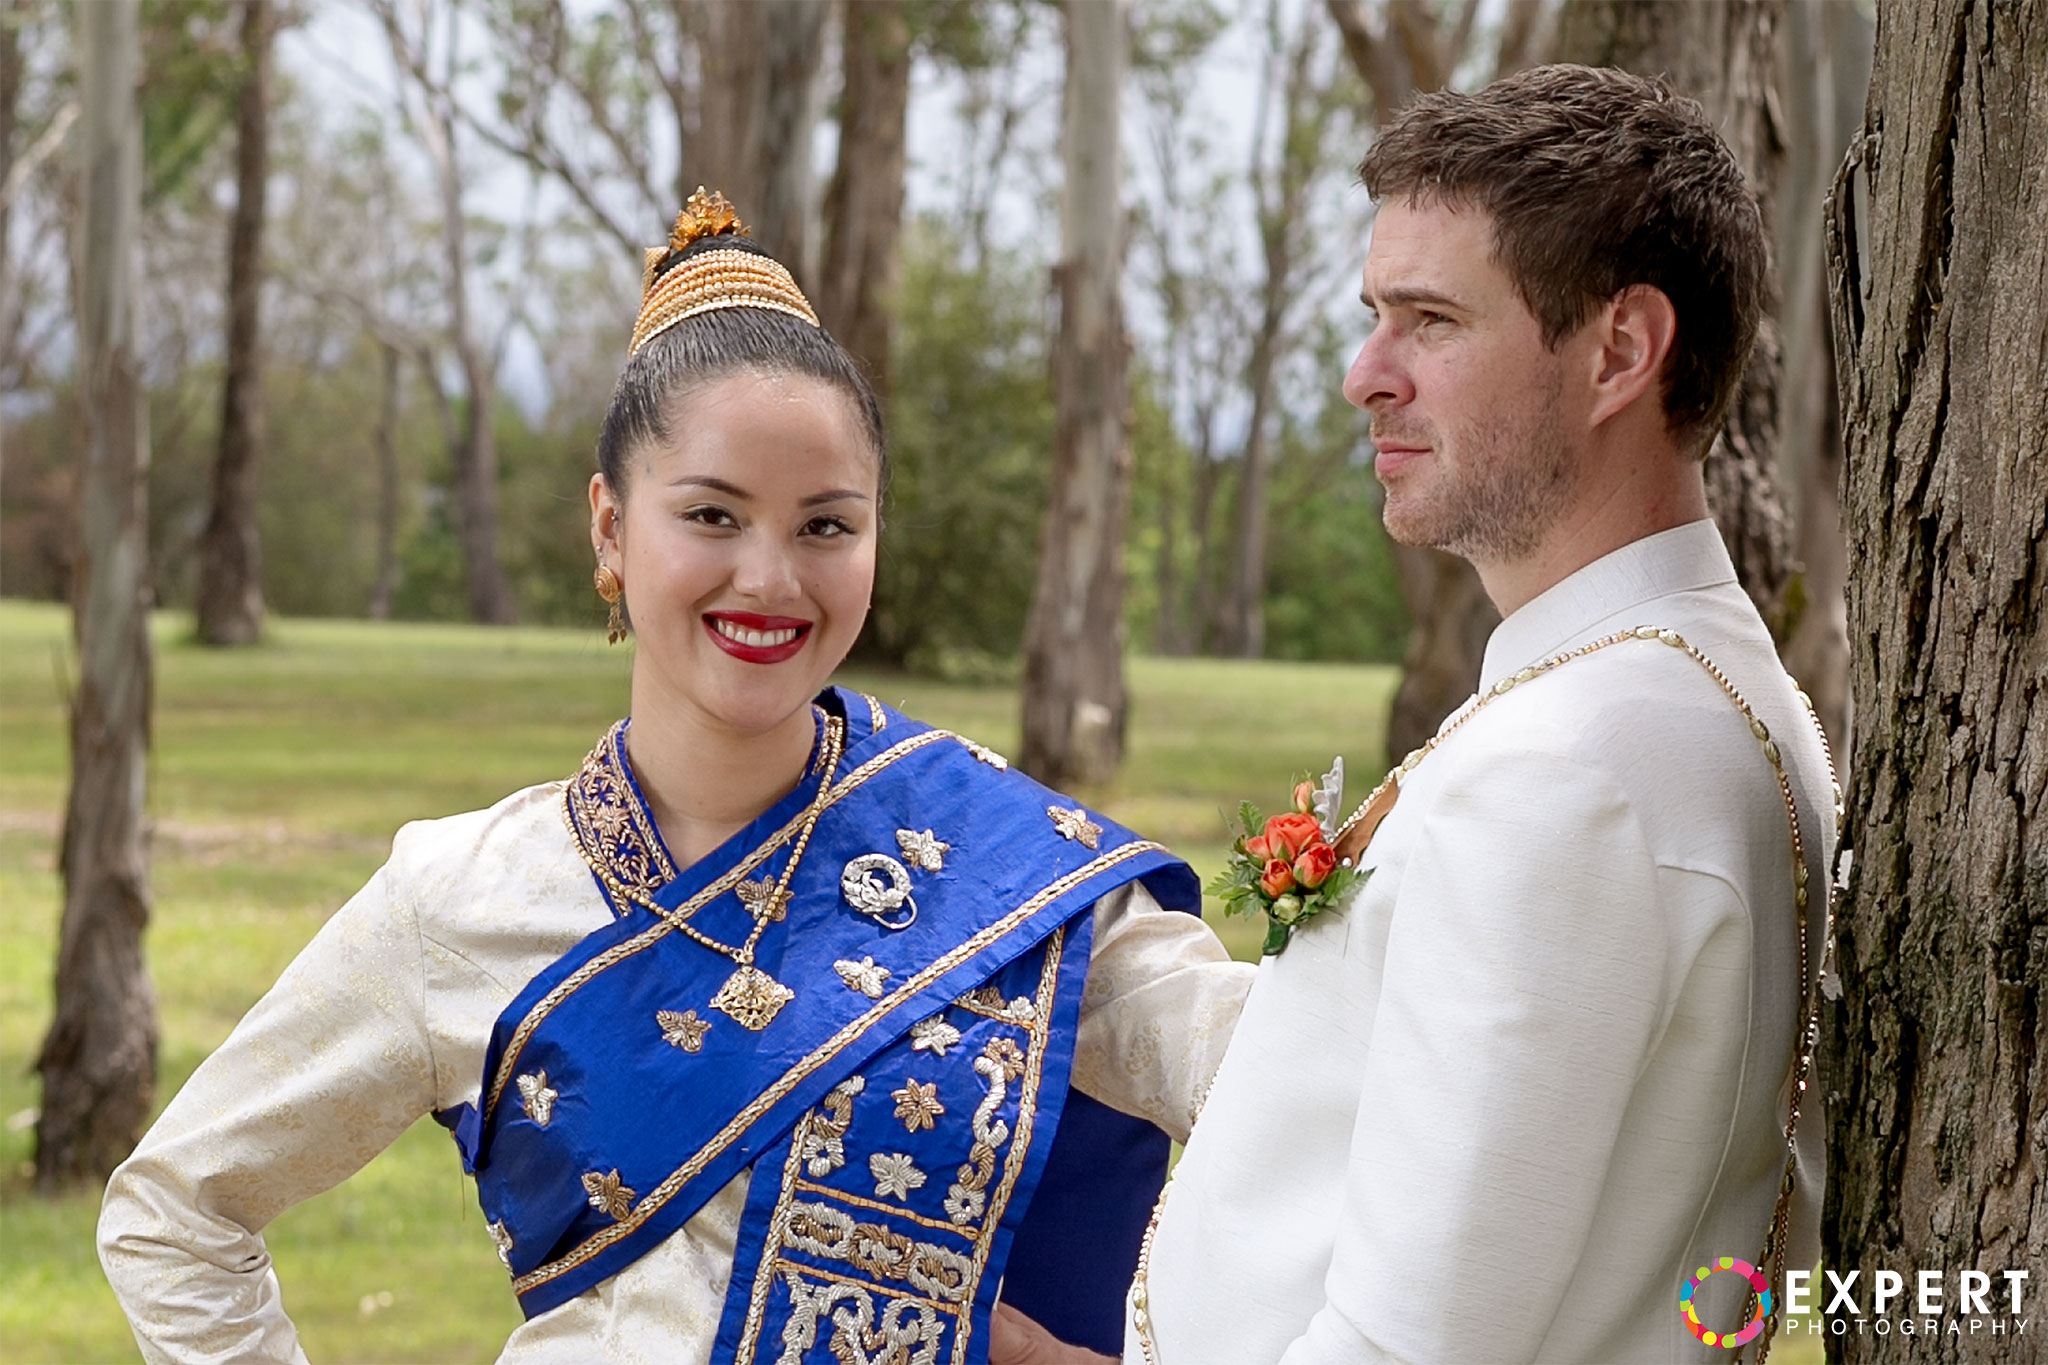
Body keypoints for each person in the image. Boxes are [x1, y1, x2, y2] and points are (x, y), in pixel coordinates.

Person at [98, 190, 1253, 1365]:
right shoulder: (461, 900)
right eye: (711, 515)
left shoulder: (1004, 873)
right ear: (609, 528)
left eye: (825, 526)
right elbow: (176, 1213)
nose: (769, 580)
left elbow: (1289, 1088)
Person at [991, 64, 1840, 1365]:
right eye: (1373, 316)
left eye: (1430, 320)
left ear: (1620, 350)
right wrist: (1040, 929)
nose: (1362, 375)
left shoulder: (1570, 772)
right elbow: (1380, 1090)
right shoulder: (1685, 692)